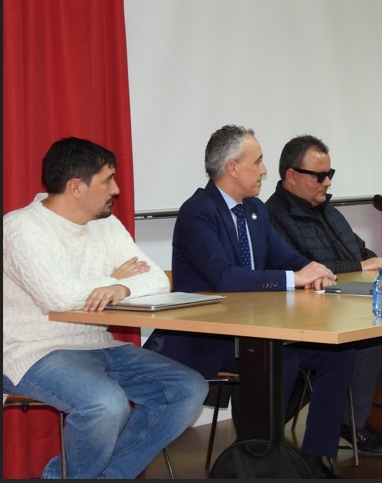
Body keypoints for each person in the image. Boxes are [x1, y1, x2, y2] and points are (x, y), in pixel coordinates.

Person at [142, 125, 355, 478]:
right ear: (232, 167)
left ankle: (314, 457)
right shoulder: (198, 212)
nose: (264, 170)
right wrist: (293, 279)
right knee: (279, 359)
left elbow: (284, 258)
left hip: (258, 331)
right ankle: (259, 459)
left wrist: (310, 268)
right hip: (212, 336)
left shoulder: (254, 209)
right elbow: (224, 276)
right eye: (257, 162)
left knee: (339, 353)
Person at [2, 137, 208, 479]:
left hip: (99, 344)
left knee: (188, 388)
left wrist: (120, 286)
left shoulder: (106, 225)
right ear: (76, 187)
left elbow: (157, 280)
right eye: (108, 179)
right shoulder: (20, 228)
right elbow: (58, 296)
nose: (116, 189)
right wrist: (110, 276)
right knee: (106, 405)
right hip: (32, 350)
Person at [265, 134, 382, 456]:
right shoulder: (272, 217)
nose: (326, 182)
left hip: (348, 302)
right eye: (319, 175)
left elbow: (362, 253)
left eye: (330, 174)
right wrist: (359, 264)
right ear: (291, 175)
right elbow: (300, 268)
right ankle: (348, 422)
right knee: (374, 336)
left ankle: (377, 412)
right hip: (310, 314)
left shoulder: (330, 213)